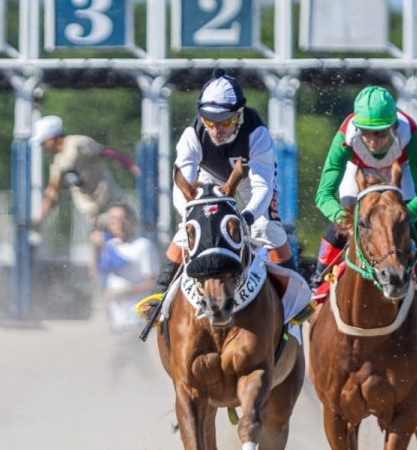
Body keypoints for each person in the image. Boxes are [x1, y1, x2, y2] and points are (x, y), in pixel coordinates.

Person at [136, 70, 303, 325]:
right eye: (209, 122)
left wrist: (246, 216)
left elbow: (261, 187)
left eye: (224, 122)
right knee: (186, 231)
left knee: (269, 229)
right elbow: (182, 186)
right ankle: (159, 294)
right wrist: (192, 216)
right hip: (209, 179)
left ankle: (295, 296)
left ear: (238, 115)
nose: (216, 129)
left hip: (251, 181)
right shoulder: (192, 135)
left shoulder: (256, 133)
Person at [309, 85, 417, 332]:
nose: (373, 141)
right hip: (357, 172)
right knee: (341, 223)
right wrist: (345, 218)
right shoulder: (345, 138)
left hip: (400, 170)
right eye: (366, 132)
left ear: (394, 126)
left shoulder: (412, 136)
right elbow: (323, 195)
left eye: (380, 133)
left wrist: (401, 217)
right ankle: (317, 283)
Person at [31, 114, 138, 275]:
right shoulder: (58, 163)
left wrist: (131, 166)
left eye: (43, 142)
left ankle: (128, 283)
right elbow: (52, 192)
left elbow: (106, 152)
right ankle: (104, 293)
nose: (44, 147)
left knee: (118, 249)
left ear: (52, 138)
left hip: (111, 205)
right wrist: (39, 219)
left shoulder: (79, 144)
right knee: (97, 261)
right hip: (93, 214)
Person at [94, 203, 159, 334]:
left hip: (135, 317)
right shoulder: (109, 246)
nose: (119, 223)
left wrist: (125, 292)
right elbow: (95, 272)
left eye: (123, 219)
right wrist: (94, 248)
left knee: (122, 352)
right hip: (115, 318)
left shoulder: (143, 246)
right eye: (113, 219)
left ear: (132, 221)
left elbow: (153, 282)